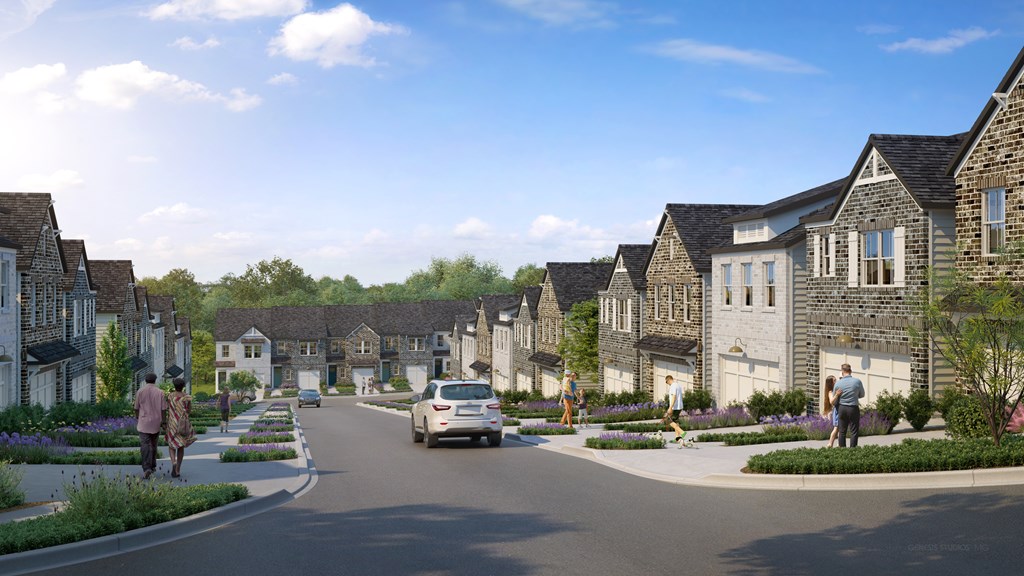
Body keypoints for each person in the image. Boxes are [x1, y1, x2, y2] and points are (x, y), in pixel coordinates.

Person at [134, 373, 167, 479]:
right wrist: (164, 421)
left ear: (146, 380)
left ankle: (146, 468)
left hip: (143, 422)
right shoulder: (160, 392)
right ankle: (152, 466)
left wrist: (137, 417)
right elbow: (163, 409)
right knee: (153, 445)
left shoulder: (140, 391)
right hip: (156, 422)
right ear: (155, 380)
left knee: (145, 445)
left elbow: (136, 407)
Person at [166, 378, 197, 478]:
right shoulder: (187, 397)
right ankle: (178, 469)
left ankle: (173, 462)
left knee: (171, 445)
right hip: (182, 423)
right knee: (181, 446)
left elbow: (167, 408)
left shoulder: (170, 396)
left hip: (172, 423)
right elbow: (189, 411)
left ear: (174, 386)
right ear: (183, 386)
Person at [835, 363, 866, 447]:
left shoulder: (838, 383)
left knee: (842, 431)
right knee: (854, 431)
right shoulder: (857, 381)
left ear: (842, 371)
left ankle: (842, 451)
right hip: (853, 408)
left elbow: (835, 397)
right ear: (851, 371)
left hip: (842, 408)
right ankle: (853, 451)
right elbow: (862, 394)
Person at [663, 375, 686, 444]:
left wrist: (670, 408)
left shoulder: (673, 386)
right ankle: (677, 438)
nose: (667, 384)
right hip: (679, 406)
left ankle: (682, 432)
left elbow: (674, 397)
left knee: (668, 420)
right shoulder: (678, 385)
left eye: (667, 382)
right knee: (675, 421)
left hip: (675, 407)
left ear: (668, 380)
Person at [822, 375, 840, 448]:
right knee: (836, 428)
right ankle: (830, 443)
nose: (836, 381)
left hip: (840, 410)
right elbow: (832, 401)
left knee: (840, 428)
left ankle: (839, 444)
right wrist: (837, 395)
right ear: (831, 383)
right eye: (834, 380)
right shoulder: (830, 392)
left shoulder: (835, 390)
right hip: (837, 411)